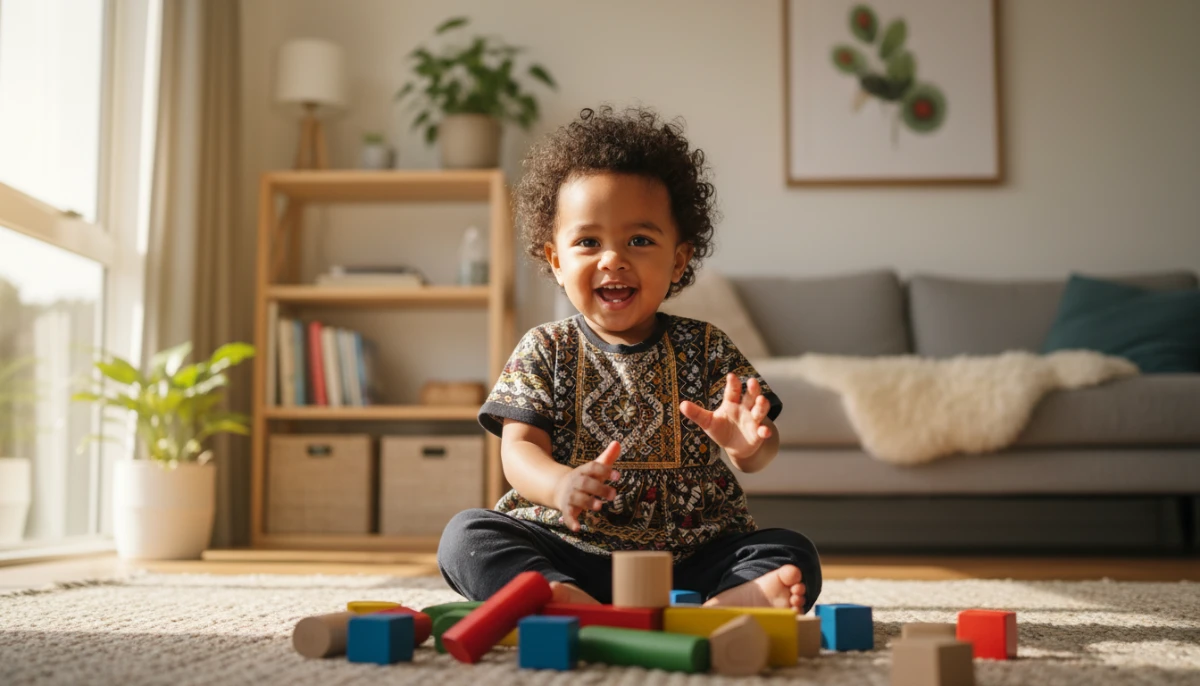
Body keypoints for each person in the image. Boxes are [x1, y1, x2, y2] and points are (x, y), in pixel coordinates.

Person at [438, 106, 821, 612]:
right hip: (571, 550)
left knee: (792, 551)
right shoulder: (544, 348)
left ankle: (732, 600)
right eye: (588, 242)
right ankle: (560, 597)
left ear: (678, 259)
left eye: (639, 240)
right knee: (467, 535)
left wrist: (748, 446)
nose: (612, 259)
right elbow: (517, 454)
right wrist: (561, 484)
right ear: (556, 259)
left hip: (690, 558)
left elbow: (757, 456)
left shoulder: (707, 346)